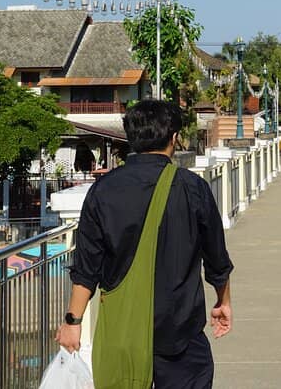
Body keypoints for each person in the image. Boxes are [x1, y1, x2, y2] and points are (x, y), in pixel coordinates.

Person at [55, 100, 234, 388]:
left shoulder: (103, 190)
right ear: (173, 138)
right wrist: (223, 301)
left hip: (123, 334)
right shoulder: (192, 187)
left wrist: (72, 322)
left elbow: (87, 268)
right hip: (181, 334)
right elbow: (217, 259)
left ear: (131, 138)